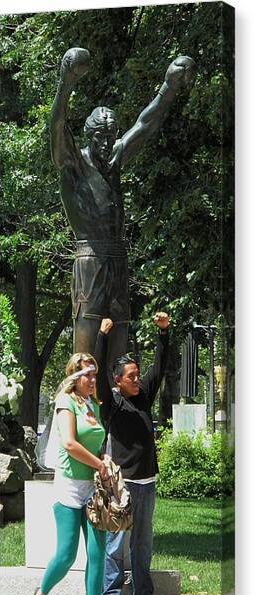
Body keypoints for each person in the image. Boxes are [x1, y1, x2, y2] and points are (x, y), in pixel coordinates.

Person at [50, 47, 195, 369]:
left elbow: (146, 123)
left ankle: (117, 411)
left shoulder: (114, 159)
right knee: (85, 347)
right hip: (90, 258)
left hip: (118, 258)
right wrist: (66, 82)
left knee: (121, 343)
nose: (107, 142)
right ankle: (80, 404)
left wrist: (168, 86)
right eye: (101, 136)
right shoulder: (74, 162)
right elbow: (57, 128)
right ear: (89, 136)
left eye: (112, 135)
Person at [26, 352, 116, 595]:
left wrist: (106, 463)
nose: (93, 380)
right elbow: (69, 443)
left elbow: (96, 443)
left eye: (94, 374)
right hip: (68, 487)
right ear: (74, 378)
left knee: (97, 552)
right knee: (66, 554)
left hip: (92, 487)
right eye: (88, 375)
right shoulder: (65, 402)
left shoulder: (94, 405)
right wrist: (100, 463)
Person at [94, 312, 169, 595]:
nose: (137, 380)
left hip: (147, 482)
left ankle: (143, 594)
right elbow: (98, 376)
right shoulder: (112, 402)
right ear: (118, 380)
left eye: (138, 375)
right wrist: (102, 337)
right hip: (121, 484)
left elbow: (160, 368)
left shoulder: (143, 396)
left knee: (142, 543)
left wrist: (163, 334)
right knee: (115, 543)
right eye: (131, 377)